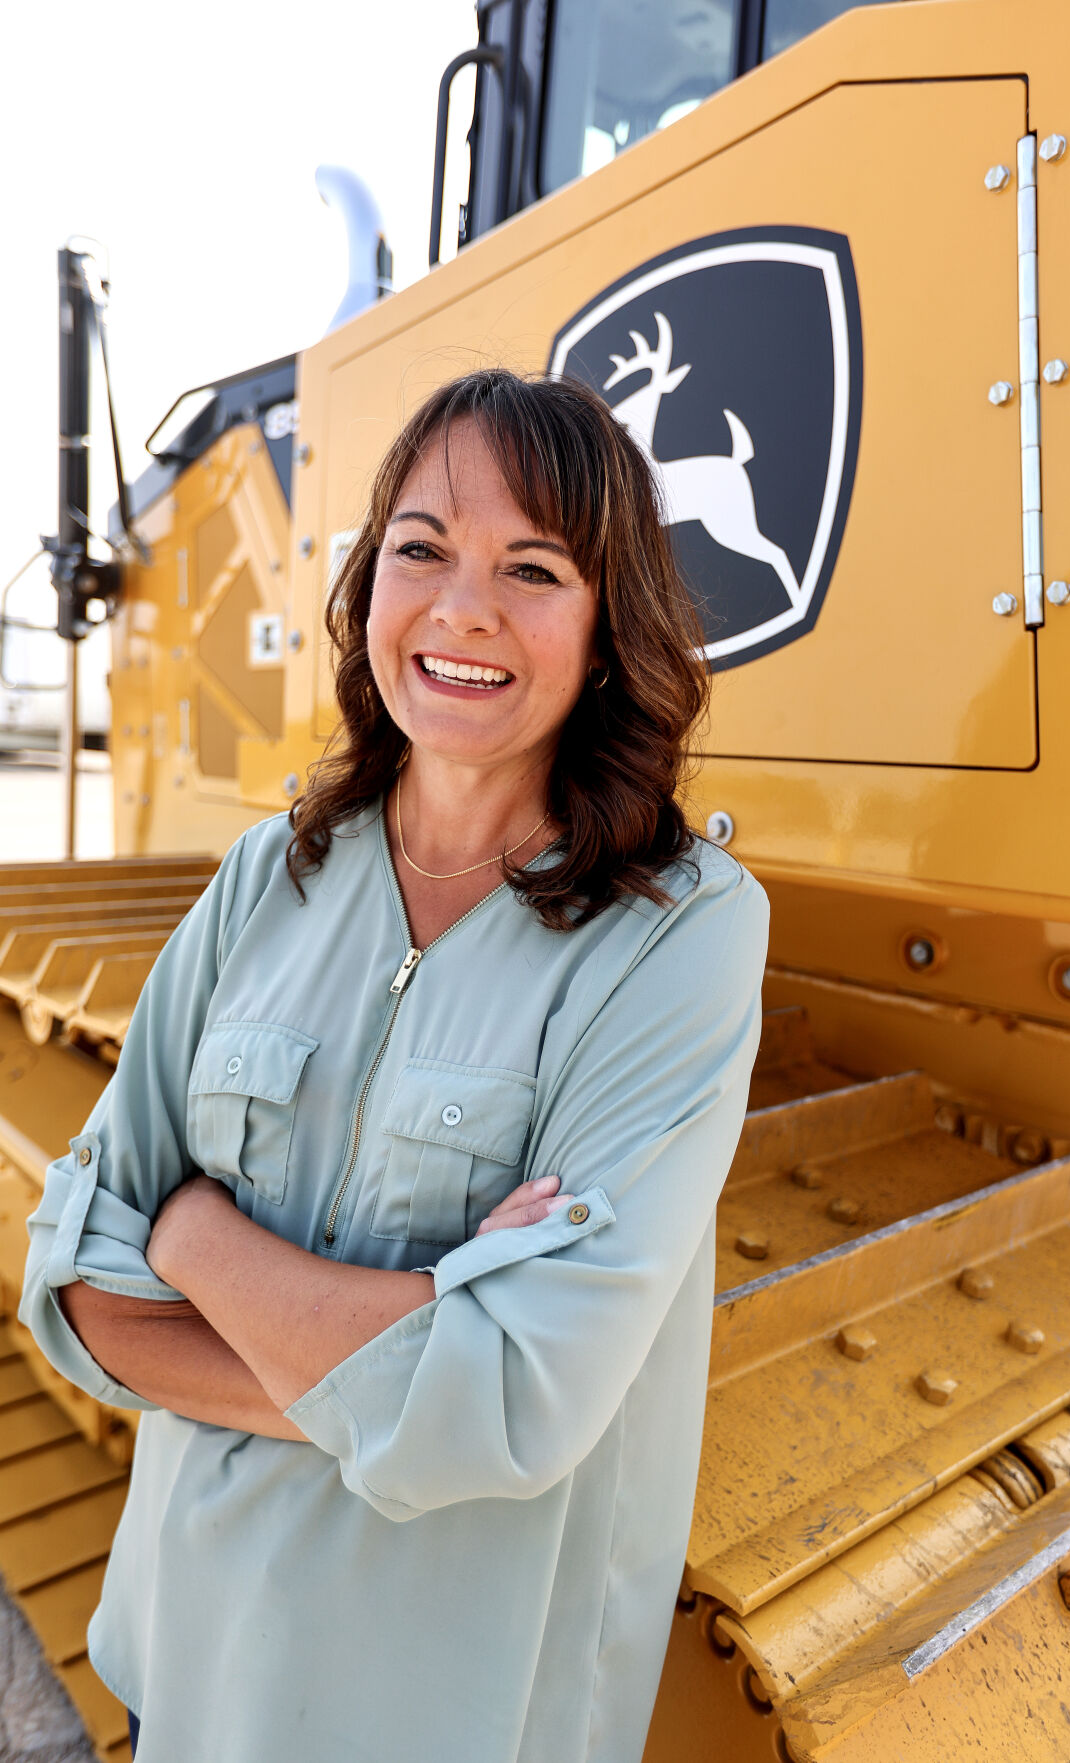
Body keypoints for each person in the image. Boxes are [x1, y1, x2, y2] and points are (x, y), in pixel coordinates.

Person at [19, 368, 769, 1763]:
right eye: (420, 547)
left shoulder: (683, 935)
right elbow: (70, 1277)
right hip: (186, 1665)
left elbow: (514, 1404)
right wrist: (420, 1327)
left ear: (610, 627)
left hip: (454, 1716)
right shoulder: (270, 876)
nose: (463, 607)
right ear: (368, 585)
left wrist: (190, 1234)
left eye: (532, 567)